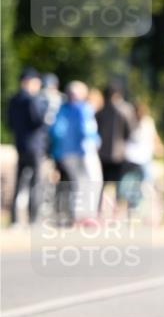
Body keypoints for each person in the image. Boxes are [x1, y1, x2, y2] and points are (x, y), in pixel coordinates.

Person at [50, 81, 103, 224]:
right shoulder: (83, 108)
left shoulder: (62, 108)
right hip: (83, 151)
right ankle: (88, 215)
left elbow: (55, 131)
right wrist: (96, 141)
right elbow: (86, 130)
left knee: (78, 183)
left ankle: (76, 214)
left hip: (65, 152)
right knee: (93, 181)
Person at [7, 66, 48, 225]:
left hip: (20, 144)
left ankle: (15, 219)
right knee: (35, 183)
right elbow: (38, 120)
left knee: (19, 183)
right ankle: (34, 218)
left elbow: (10, 123)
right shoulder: (32, 99)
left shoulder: (13, 99)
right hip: (35, 146)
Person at [95, 82, 136, 191]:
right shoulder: (126, 110)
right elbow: (131, 131)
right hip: (119, 153)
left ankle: (101, 206)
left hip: (102, 152)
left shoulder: (101, 111)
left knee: (102, 183)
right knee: (115, 185)